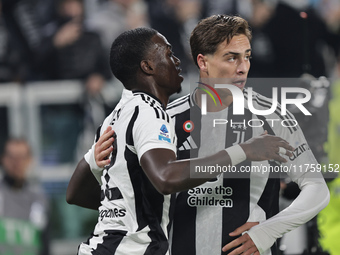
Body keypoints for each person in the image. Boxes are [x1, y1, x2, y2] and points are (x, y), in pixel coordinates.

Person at [77, 15, 330, 255]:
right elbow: (115, 195)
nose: (243, 68)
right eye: (231, 58)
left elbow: (316, 188)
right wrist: (93, 163)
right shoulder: (164, 120)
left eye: (247, 57)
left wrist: (267, 232)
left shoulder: (274, 117)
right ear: (202, 62)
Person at [0, 138, 50, 255]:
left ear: (29, 160)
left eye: (22, 157)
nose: (17, 163)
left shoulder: (40, 199)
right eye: (12, 157)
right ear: (3, 159)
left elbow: (45, 244)